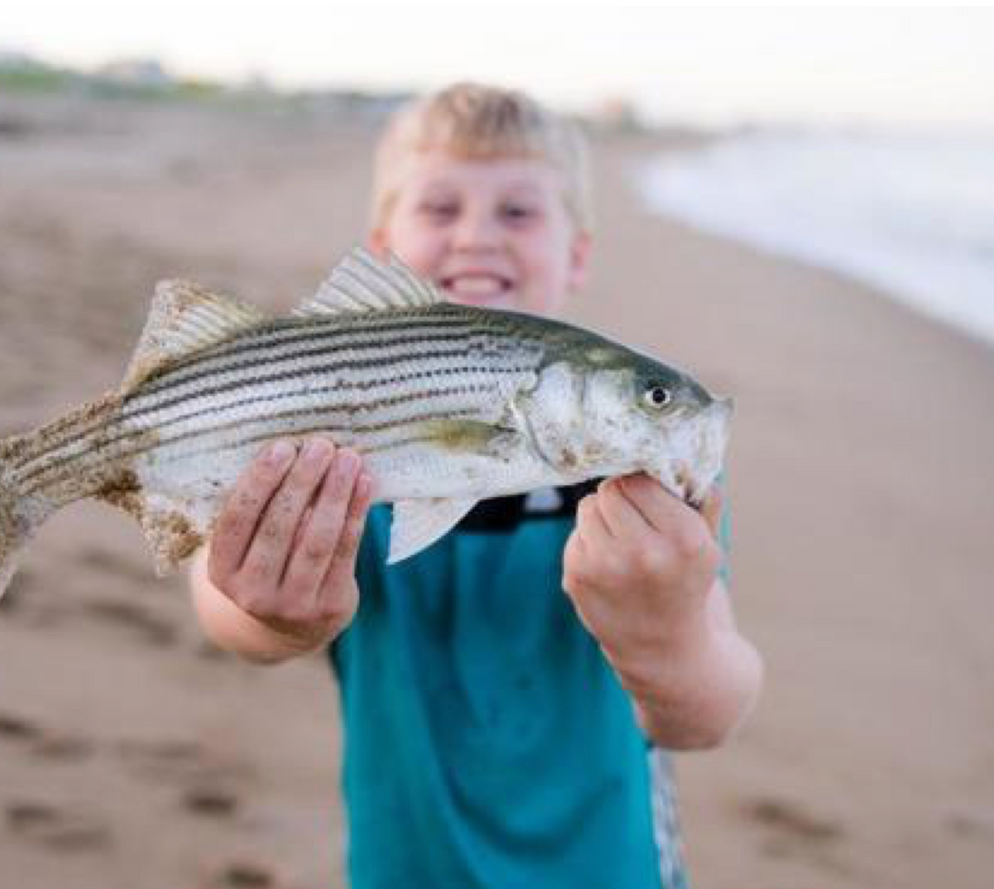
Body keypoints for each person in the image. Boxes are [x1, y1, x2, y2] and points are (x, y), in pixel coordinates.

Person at [188, 83, 763, 889]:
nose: (476, 236)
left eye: (518, 212)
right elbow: (217, 602)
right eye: (440, 207)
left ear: (577, 254)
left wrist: (669, 640)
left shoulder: (652, 470)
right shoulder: (337, 422)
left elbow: (711, 710)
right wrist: (266, 615)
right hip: (403, 863)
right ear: (383, 249)